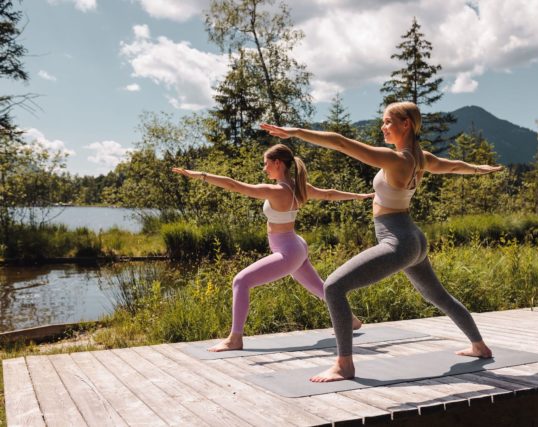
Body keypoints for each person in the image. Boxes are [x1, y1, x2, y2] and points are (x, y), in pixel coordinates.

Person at [261, 101, 503, 382]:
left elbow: (340, 143)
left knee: (334, 287)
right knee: (438, 296)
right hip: (414, 237)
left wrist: (296, 131)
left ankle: (344, 365)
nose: (383, 126)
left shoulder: (397, 159)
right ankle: (479, 345)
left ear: (406, 124)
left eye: (388, 121)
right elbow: (455, 166)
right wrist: (480, 169)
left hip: (398, 240)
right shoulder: (421, 158)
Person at [172, 144, 370, 352]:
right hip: (296, 245)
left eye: (266, 164)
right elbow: (329, 195)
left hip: (288, 251)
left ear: (278, 163)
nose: (264, 168)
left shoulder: (276, 191)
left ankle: (235, 338)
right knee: (318, 287)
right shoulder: (301, 187)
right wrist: (358, 196)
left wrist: (199, 175)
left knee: (241, 281)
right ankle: (350, 320)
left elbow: (233, 185)